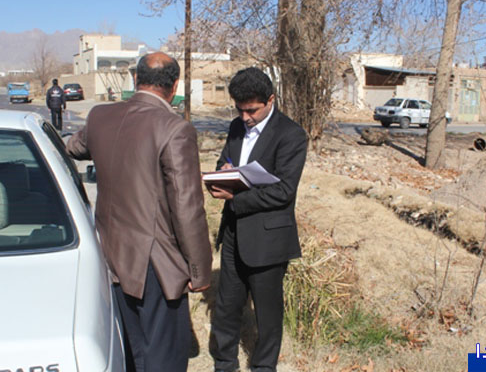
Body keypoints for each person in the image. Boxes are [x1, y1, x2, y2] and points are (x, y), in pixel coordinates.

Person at [66, 52, 212, 371]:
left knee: (132, 351)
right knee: (163, 357)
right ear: (175, 86)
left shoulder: (100, 117)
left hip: (110, 254)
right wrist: (199, 270)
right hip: (154, 263)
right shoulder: (175, 129)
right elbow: (187, 207)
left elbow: (73, 148)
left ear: (135, 79)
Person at [207, 67, 307, 372]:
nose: (245, 117)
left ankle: (263, 367)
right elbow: (225, 159)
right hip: (233, 233)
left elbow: (284, 192)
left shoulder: (291, 135)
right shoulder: (236, 127)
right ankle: (224, 363)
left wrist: (235, 199)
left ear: (270, 100)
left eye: (251, 110)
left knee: (267, 313)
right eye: (240, 109)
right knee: (226, 305)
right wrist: (222, 172)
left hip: (268, 238)